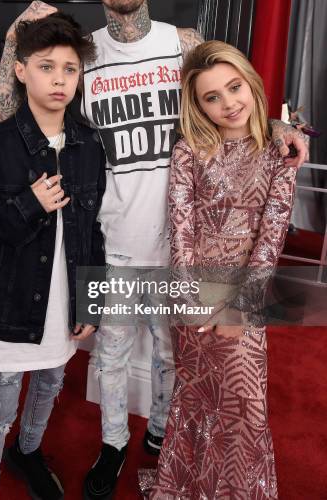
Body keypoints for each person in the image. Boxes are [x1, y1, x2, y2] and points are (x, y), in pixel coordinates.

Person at [0, 0, 307, 499]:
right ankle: (113, 445)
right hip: (111, 237)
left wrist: (282, 126)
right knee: (110, 356)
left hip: (186, 241)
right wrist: (15, 45)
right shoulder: (80, 57)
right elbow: (14, 124)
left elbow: (225, 92)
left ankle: (163, 433)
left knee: (174, 352)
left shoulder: (184, 42)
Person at [0, 12, 106, 500]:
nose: (59, 80)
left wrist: (91, 302)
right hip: (11, 307)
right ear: (20, 71)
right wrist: (25, 206)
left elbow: (93, 229)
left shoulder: (88, 145)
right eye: (46, 67)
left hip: (64, 306)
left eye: (70, 69)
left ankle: (29, 450)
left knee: (51, 384)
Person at [140, 40, 297, 499]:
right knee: (195, 395)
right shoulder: (190, 149)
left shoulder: (279, 150)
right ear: (199, 105)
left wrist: (240, 306)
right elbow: (181, 224)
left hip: (242, 296)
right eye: (213, 96)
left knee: (245, 405)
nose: (229, 103)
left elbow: (273, 233)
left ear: (251, 83)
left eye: (235, 87)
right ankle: (188, 487)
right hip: (192, 296)